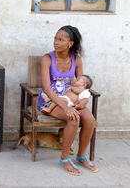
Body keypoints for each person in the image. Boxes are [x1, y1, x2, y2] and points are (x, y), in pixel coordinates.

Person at [39, 25, 98, 175]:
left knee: (90, 119)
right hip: (50, 101)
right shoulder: (47, 59)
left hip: (70, 99)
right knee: (73, 119)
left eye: (61, 39)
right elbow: (46, 87)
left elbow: (82, 85)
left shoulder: (76, 60)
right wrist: (65, 107)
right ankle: (65, 159)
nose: (56, 42)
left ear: (70, 43)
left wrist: (81, 102)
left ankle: (81, 156)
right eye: (55, 38)